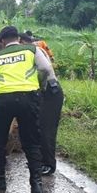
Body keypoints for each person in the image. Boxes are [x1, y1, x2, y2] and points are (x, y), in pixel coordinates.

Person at [0, 26, 56, 193]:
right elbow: (46, 68)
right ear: (18, 37)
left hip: (3, 100)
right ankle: (36, 184)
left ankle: (0, 180)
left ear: (2, 41)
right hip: (28, 98)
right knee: (32, 141)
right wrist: (41, 85)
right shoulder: (32, 50)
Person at [20, 32, 63, 176]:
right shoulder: (30, 52)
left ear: (22, 42)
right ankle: (39, 161)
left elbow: (45, 69)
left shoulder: (34, 50)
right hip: (42, 92)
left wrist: (41, 85)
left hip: (50, 91)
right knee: (37, 127)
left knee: (46, 129)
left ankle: (49, 164)